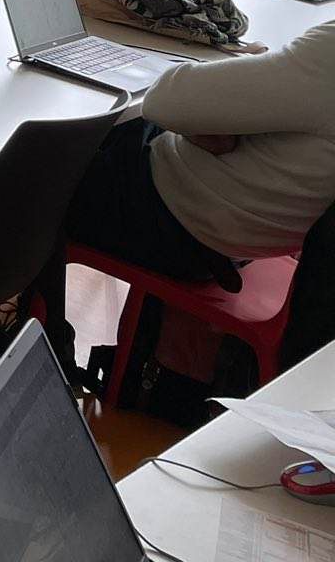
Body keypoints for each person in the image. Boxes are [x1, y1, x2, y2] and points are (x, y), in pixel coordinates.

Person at [35, 19, 335, 378]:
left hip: (169, 217)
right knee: (93, 113)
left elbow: (166, 98)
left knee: (15, 172)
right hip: (235, 238)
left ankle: (14, 352)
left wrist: (219, 100)